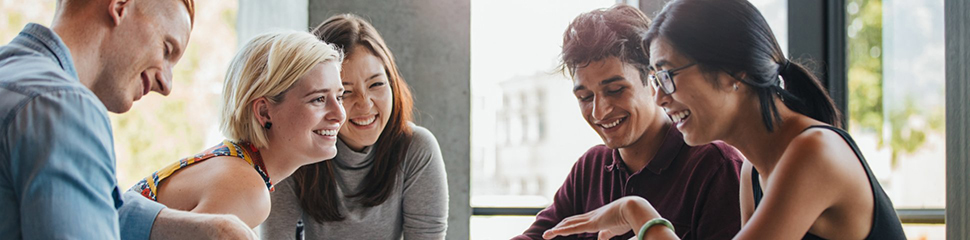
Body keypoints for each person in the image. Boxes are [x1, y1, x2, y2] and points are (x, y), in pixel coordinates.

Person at [542, 0, 907, 239]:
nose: (658, 96)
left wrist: (635, 212)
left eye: (667, 75)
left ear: (733, 71)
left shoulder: (813, 153)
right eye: (655, 79)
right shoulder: (753, 172)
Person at [0, 0, 258, 239]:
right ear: (120, 5)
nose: (166, 85)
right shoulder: (63, 106)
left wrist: (210, 229)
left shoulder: (15, 78)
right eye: (167, 49)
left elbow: (88, 202)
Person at [513, 4, 744, 240]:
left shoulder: (716, 167)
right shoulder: (591, 168)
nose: (599, 112)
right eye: (585, 97)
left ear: (653, 80)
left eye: (615, 90)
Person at [129, 31, 346, 229]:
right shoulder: (246, 190)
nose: (340, 114)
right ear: (264, 112)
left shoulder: (235, 164)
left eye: (339, 97)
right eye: (318, 99)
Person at [257, 14, 448, 239]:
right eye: (345, 92)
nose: (365, 103)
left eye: (376, 84)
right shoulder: (293, 149)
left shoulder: (416, 148)